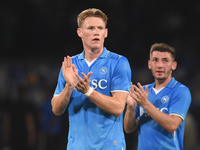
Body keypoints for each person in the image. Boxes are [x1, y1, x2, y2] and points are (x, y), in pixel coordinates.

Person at [51, 8, 131, 150]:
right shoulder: (71, 65)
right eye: (91, 28)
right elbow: (56, 109)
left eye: (100, 28)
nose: (96, 32)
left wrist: (88, 91)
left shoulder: (119, 62)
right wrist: (69, 87)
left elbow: (118, 107)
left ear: (105, 33)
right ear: (80, 32)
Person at [124, 43, 191, 150]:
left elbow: (172, 125)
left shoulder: (181, 91)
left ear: (173, 65)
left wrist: (145, 104)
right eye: (155, 60)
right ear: (149, 64)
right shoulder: (143, 91)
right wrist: (130, 108)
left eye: (165, 61)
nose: (159, 65)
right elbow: (128, 128)